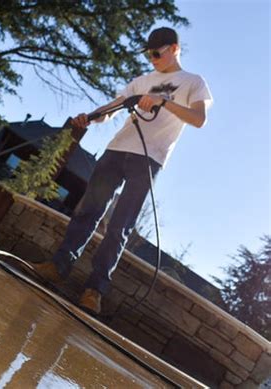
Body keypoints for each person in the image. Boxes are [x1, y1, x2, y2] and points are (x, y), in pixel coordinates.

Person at [32, 27, 213, 314]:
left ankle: (94, 291)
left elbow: (199, 119)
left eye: (158, 53)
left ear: (175, 49)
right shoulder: (142, 81)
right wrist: (90, 118)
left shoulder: (192, 82)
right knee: (88, 210)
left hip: (149, 158)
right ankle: (58, 266)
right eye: (149, 54)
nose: (152, 59)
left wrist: (164, 101)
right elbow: (113, 108)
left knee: (120, 226)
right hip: (117, 151)